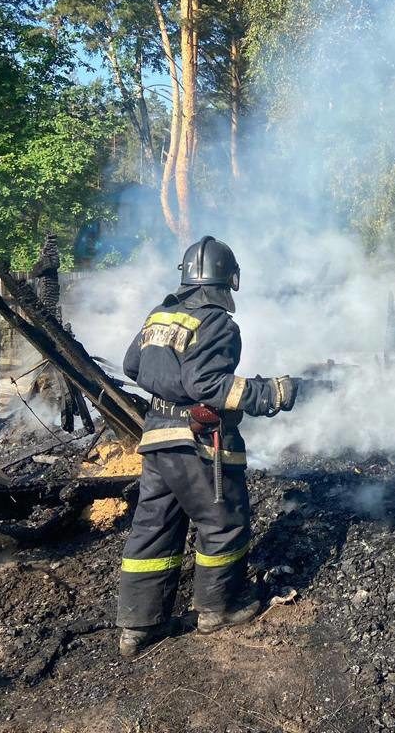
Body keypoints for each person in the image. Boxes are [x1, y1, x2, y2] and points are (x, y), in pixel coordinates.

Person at [117, 236, 302, 657]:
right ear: (228, 279)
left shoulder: (159, 316)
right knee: (223, 522)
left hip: (157, 441)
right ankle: (219, 608)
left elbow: (132, 366)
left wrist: (169, 382)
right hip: (197, 444)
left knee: (153, 528)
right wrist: (271, 393)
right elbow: (209, 386)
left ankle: (137, 626)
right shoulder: (217, 322)